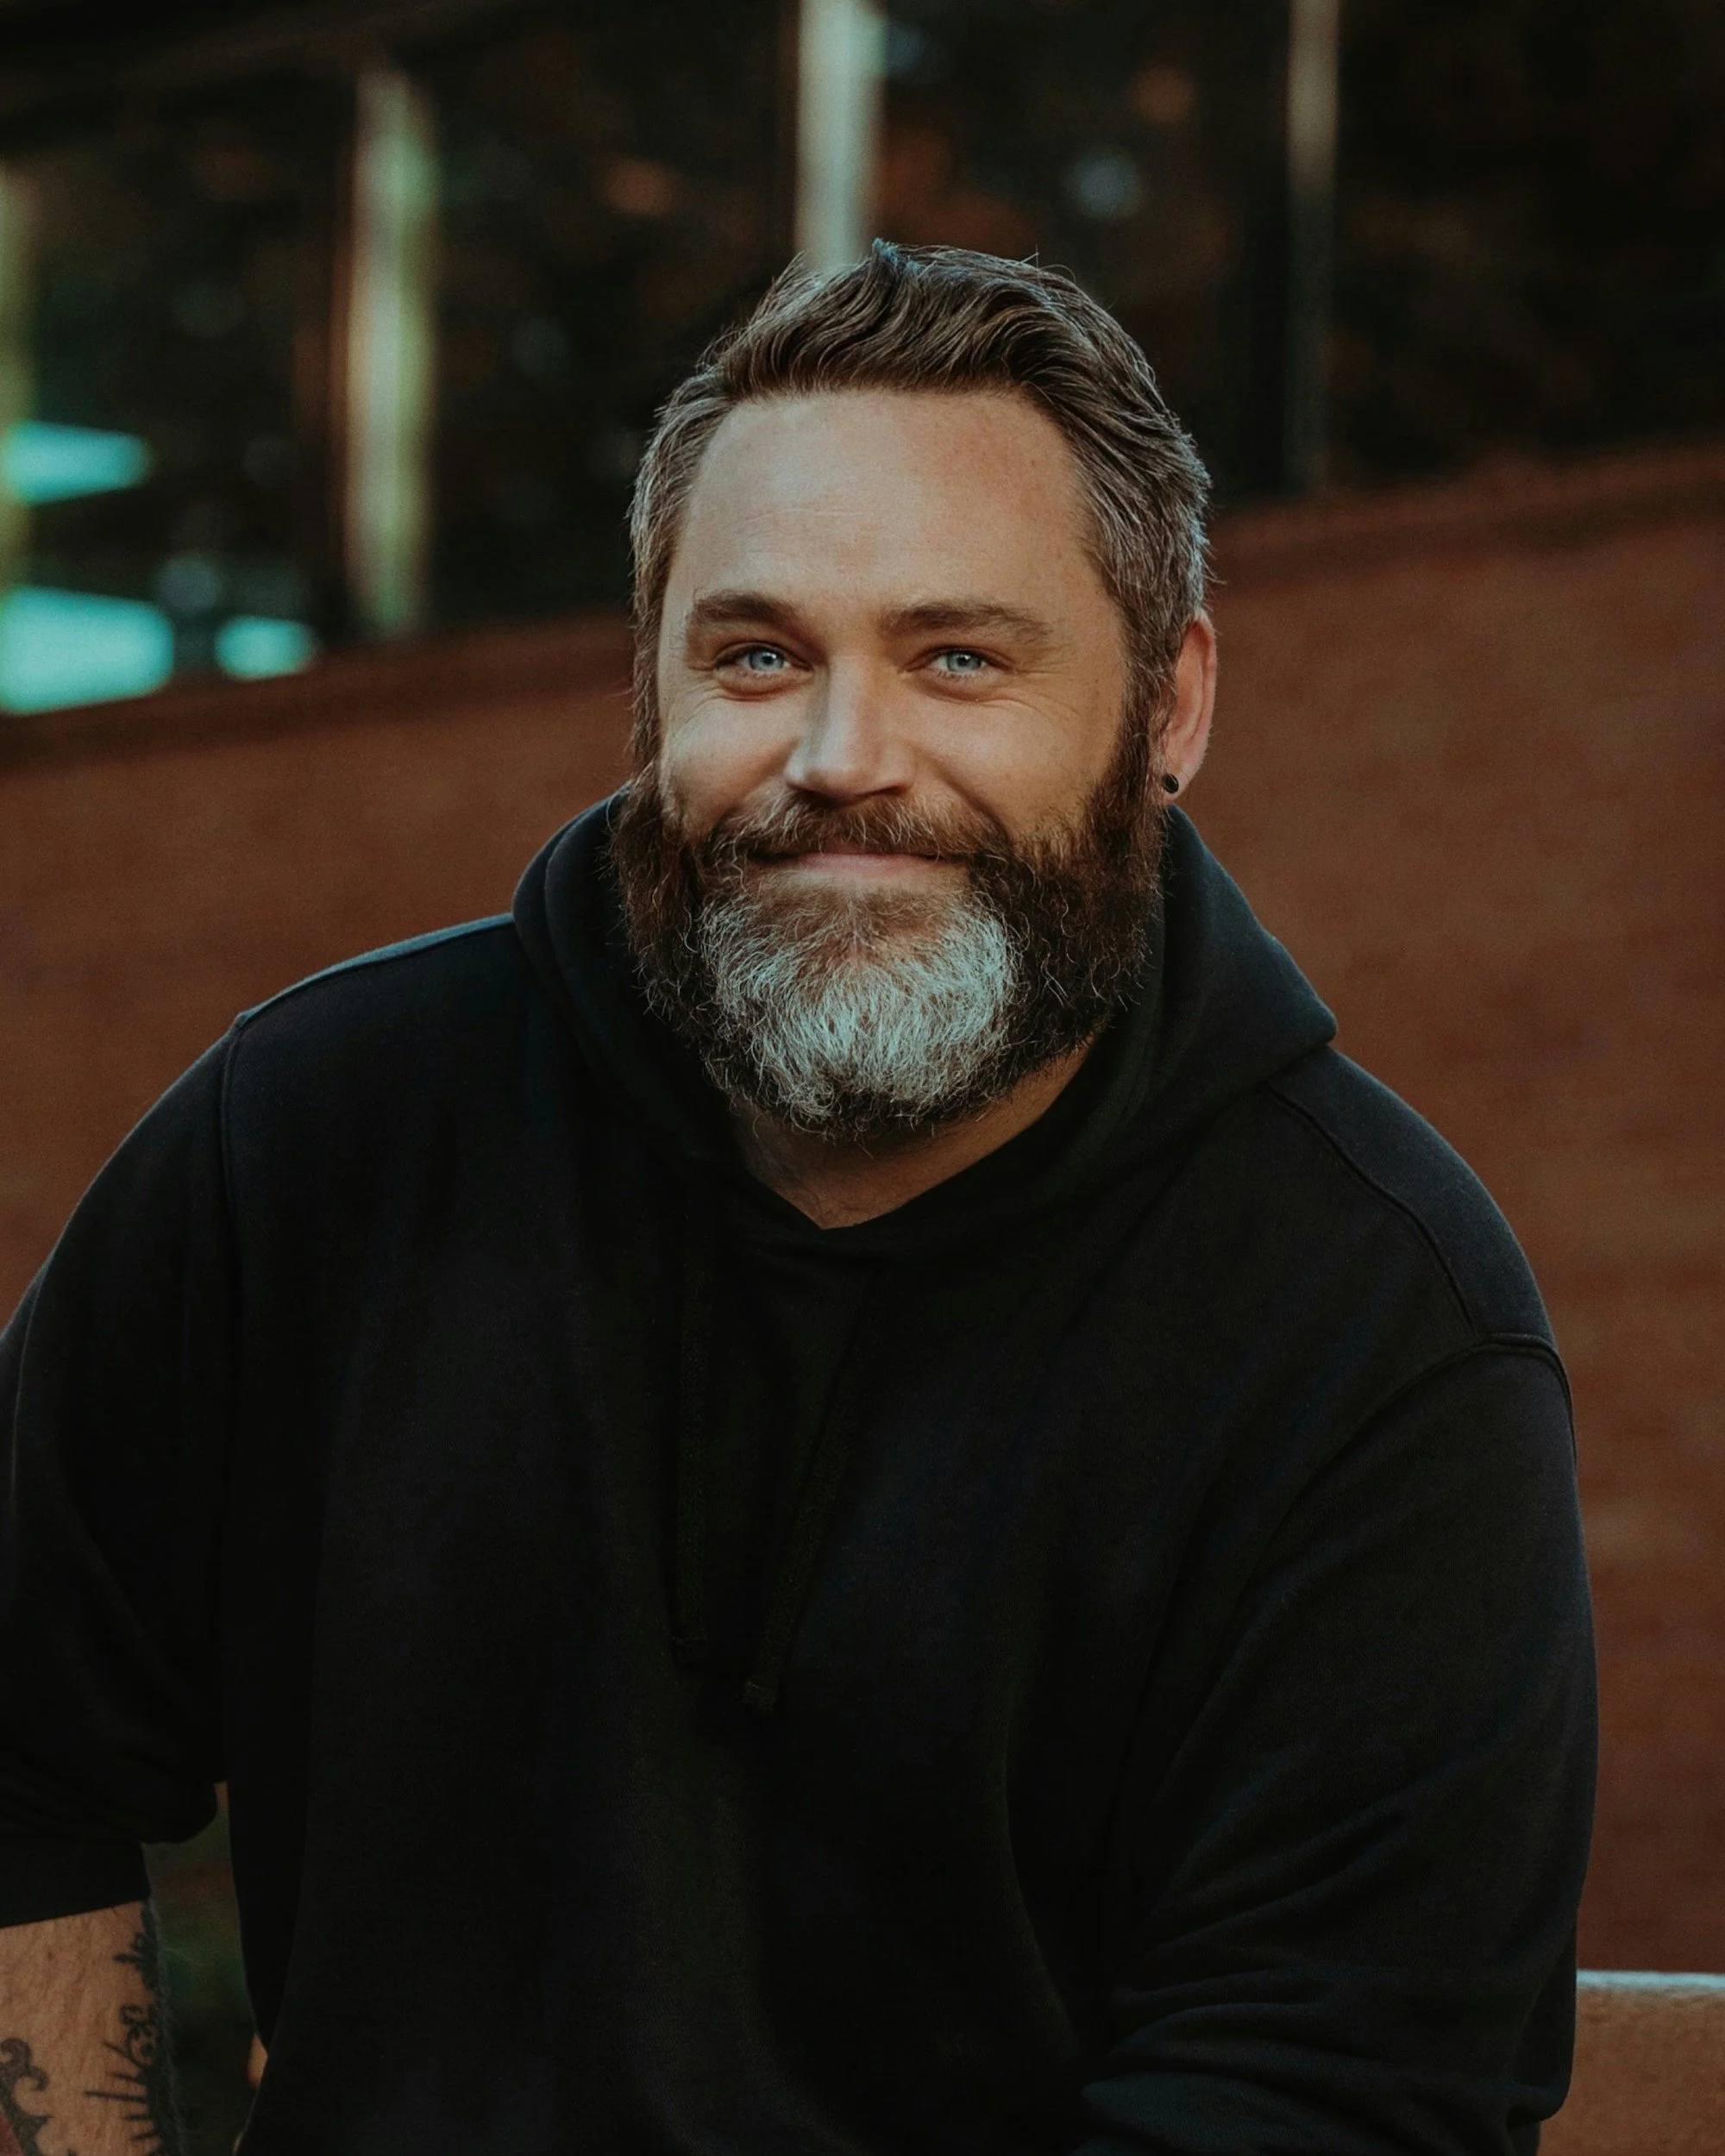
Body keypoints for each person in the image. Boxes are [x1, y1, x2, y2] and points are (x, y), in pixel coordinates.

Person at [0, 243, 1593, 2156]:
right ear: (654, 684)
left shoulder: (1371, 1320)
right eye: (756, 654)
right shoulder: (319, 1140)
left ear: (1167, 706)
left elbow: (1336, 2096)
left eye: (957, 656)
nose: (843, 760)